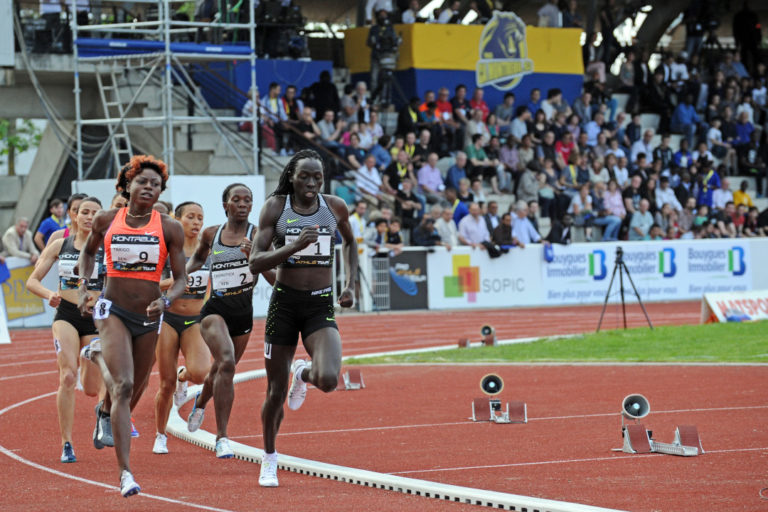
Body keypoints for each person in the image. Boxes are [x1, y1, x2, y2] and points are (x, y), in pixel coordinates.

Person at [76, 155, 187, 497]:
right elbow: (89, 254)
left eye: (156, 184)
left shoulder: (170, 227)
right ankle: (126, 473)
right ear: (127, 186)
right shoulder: (108, 219)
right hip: (112, 310)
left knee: (133, 390)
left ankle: (103, 403)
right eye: (143, 182)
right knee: (123, 385)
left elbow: (181, 278)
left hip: (150, 316)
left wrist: (167, 301)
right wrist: (84, 286)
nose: (149, 187)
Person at [248, 150, 358, 487]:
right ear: (292, 177)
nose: (311, 183)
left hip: (319, 305)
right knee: (275, 392)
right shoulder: (276, 208)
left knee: (327, 378)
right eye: (305, 176)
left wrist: (350, 284)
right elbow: (255, 261)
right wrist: (292, 247)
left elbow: (351, 243)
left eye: (317, 177)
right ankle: (269, 458)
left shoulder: (334, 207)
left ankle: (303, 372)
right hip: (284, 305)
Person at [184, 184, 274, 459]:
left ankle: (201, 401)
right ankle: (222, 437)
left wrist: (254, 259)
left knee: (221, 370)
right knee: (227, 362)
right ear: (226, 205)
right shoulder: (212, 234)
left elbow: (273, 278)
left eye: (248, 200)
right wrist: (178, 281)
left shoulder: (258, 236)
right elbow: (195, 262)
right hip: (214, 311)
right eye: (237, 200)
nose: (243, 204)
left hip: (243, 314)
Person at [25, 197, 105, 464]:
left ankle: (100, 410)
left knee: (92, 388)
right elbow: (32, 281)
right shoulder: (61, 244)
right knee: (68, 376)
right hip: (67, 316)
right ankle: (67, 443)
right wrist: (49, 294)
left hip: (94, 319)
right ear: (74, 216)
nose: (89, 216)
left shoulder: (108, 248)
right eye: (84, 212)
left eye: (95, 213)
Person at [152, 202, 213, 455]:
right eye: (191, 217)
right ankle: (160, 434)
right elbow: (152, 285)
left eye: (200, 217)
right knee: (165, 385)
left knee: (200, 373)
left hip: (195, 319)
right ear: (178, 219)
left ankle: (183, 377)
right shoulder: (167, 250)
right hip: (168, 318)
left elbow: (211, 286)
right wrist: (177, 282)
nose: (196, 222)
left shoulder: (207, 252)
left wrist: (207, 308)